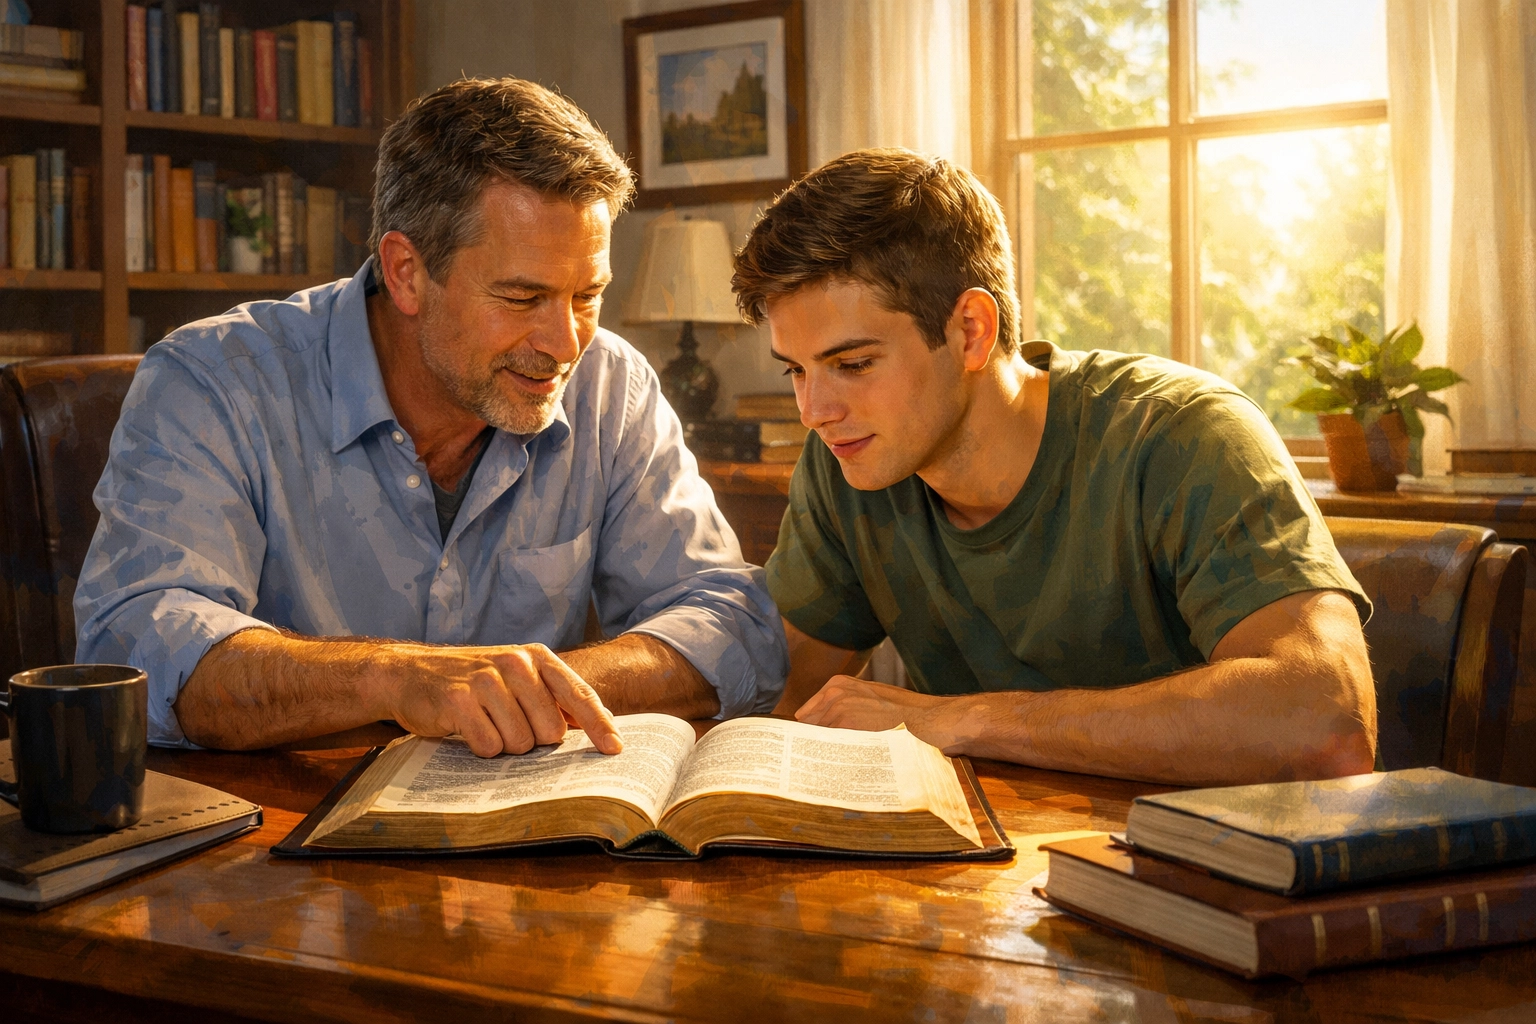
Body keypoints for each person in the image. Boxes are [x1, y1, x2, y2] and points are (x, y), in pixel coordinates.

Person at [75, 78, 787, 755]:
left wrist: (523, 692)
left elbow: (731, 621)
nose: (565, 343)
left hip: (519, 846)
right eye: (520, 298)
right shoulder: (213, 381)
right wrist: (390, 678)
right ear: (406, 272)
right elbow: (138, 644)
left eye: (587, 295)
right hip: (271, 844)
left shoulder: (613, 384)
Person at [730, 148, 1376, 786]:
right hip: (994, 871)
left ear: (972, 332)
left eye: (852, 364)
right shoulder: (850, 460)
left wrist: (968, 720)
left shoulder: (1182, 433)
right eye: (796, 370)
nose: (813, 411)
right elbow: (771, 690)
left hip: (1205, 871)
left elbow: (1324, 721)